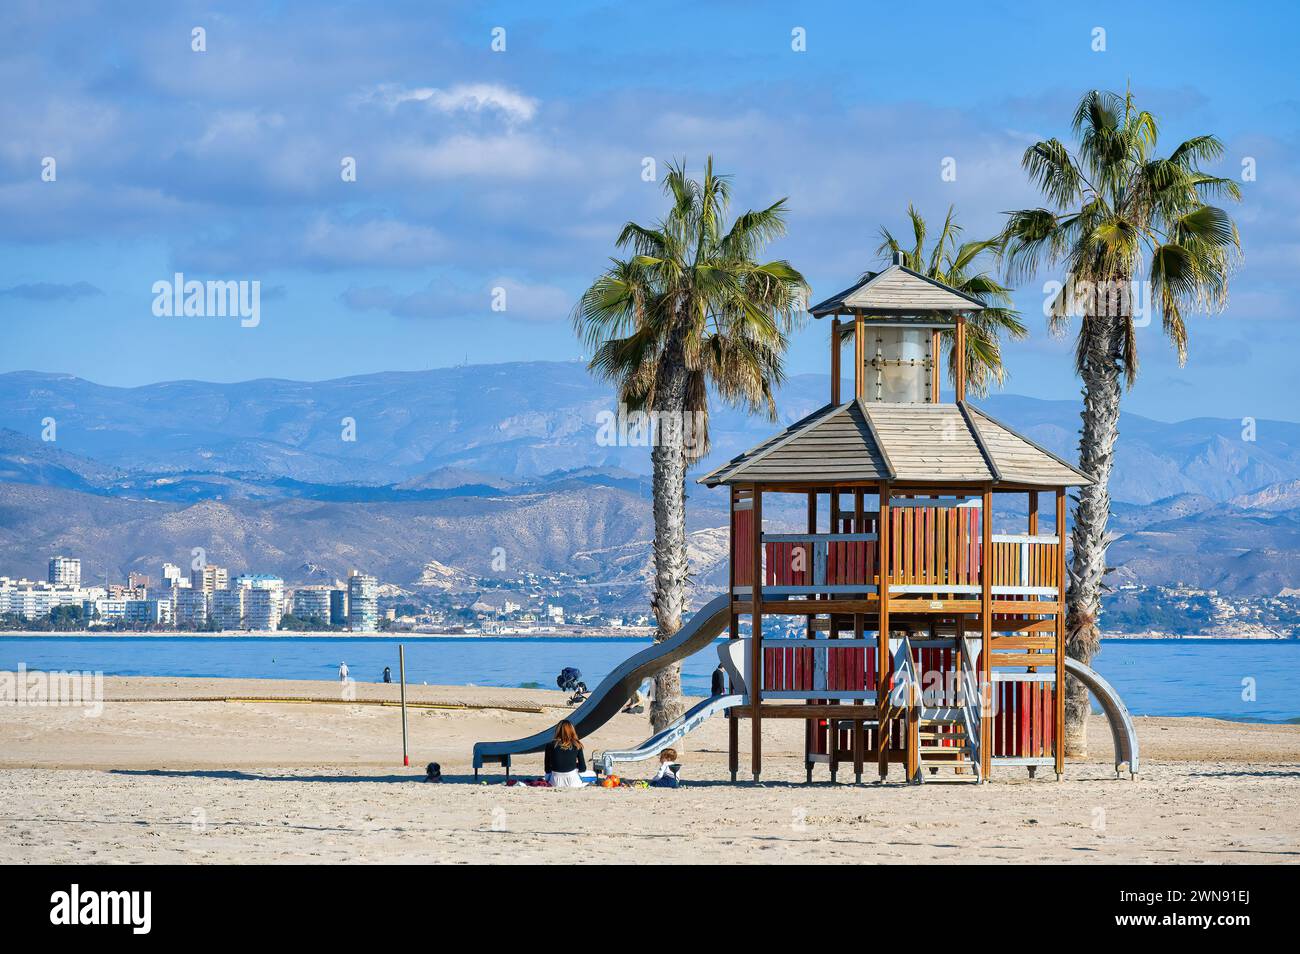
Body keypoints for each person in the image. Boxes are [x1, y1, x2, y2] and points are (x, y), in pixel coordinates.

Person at [543, 720, 587, 788]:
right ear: (572, 730)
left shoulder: (550, 745)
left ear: (558, 730)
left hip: (555, 781)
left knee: (547, 775)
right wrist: (575, 765)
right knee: (591, 774)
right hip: (573, 781)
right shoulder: (577, 745)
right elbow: (583, 768)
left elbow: (547, 769)